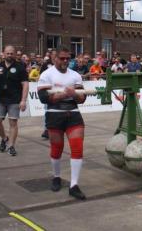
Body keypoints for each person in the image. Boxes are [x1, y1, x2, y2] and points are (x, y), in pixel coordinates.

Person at [37, 47, 87, 200]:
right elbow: (43, 97)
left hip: (73, 114)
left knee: (77, 147)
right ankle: (57, 177)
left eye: (68, 58)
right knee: (56, 148)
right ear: (55, 59)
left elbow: (82, 98)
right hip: (54, 114)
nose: (65, 61)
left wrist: (75, 95)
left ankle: (74, 185)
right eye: (62, 58)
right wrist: (63, 95)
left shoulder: (76, 75)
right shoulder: (46, 74)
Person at [0, 45, 29, 156]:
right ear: (3, 54)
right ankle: (5, 138)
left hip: (14, 100)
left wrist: (23, 100)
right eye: (7, 53)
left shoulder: (20, 67)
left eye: (11, 53)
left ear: (14, 54)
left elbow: (25, 84)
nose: (9, 55)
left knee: (13, 123)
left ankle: (11, 146)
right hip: (0, 99)